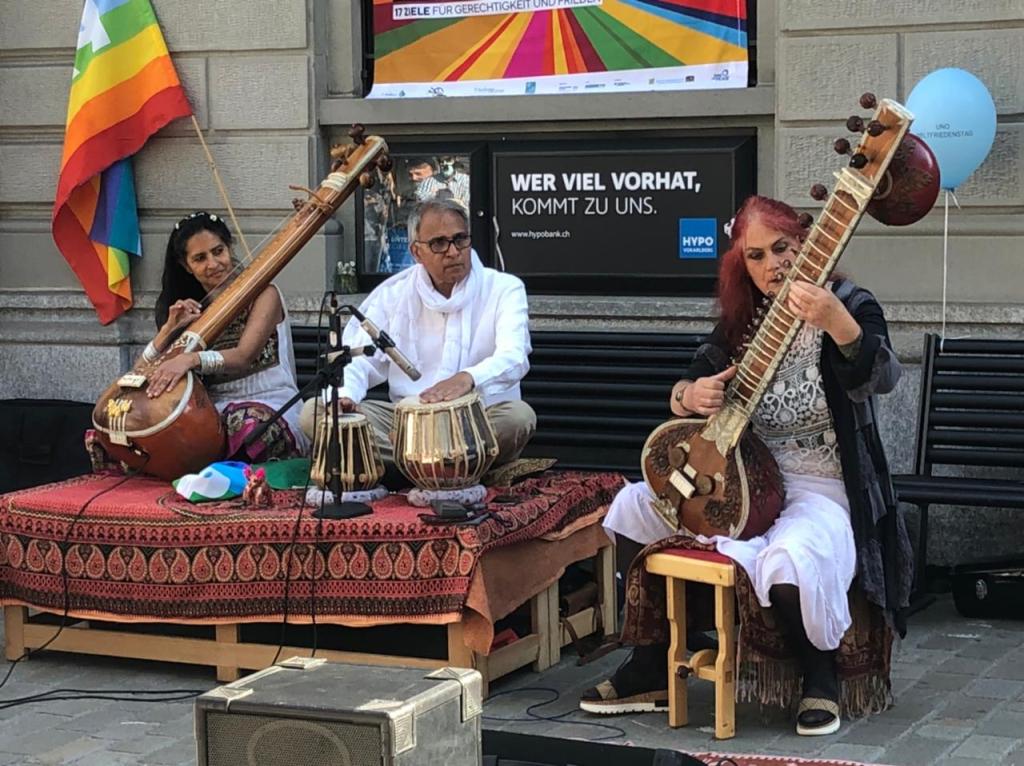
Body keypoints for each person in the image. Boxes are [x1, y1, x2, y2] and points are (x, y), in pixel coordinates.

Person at [579, 195, 913, 736]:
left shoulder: (848, 302)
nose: (772, 265)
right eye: (755, 256)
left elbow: (884, 377)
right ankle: (651, 661)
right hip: (746, 481)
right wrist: (690, 394)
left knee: (791, 556)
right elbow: (689, 381)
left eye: (781, 248)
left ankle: (819, 676)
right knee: (632, 506)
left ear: (805, 242)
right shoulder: (744, 319)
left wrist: (838, 324)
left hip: (823, 483)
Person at [298, 197, 536, 471]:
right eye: (439, 243)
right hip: (406, 425)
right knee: (315, 412)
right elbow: (359, 360)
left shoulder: (504, 288)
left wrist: (468, 378)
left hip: (476, 419)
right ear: (416, 252)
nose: (453, 251)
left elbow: (515, 356)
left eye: (460, 239)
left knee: (518, 417)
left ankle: (409, 465)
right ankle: (447, 467)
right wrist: (346, 396)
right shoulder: (394, 294)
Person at [145, 211, 309, 464]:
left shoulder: (264, 294)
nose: (213, 264)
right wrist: (168, 329)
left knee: (249, 427)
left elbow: (244, 357)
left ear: (230, 247)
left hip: (271, 402)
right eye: (200, 258)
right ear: (186, 266)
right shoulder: (191, 311)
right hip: (209, 410)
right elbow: (146, 372)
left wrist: (191, 359)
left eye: (218, 251)